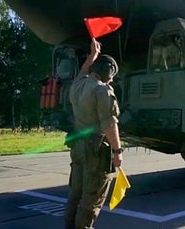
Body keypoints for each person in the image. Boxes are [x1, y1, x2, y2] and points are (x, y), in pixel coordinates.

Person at [64, 38, 123, 229]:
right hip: (95, 150)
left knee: (75, 195)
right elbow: (109, 125)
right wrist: (117, 151)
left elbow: (83, 70)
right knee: (91, 199)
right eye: (112, 76)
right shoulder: (103, 91)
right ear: (108, 75)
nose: (112, 80)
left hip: (78, 146)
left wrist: (93, 55)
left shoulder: (78, 85)